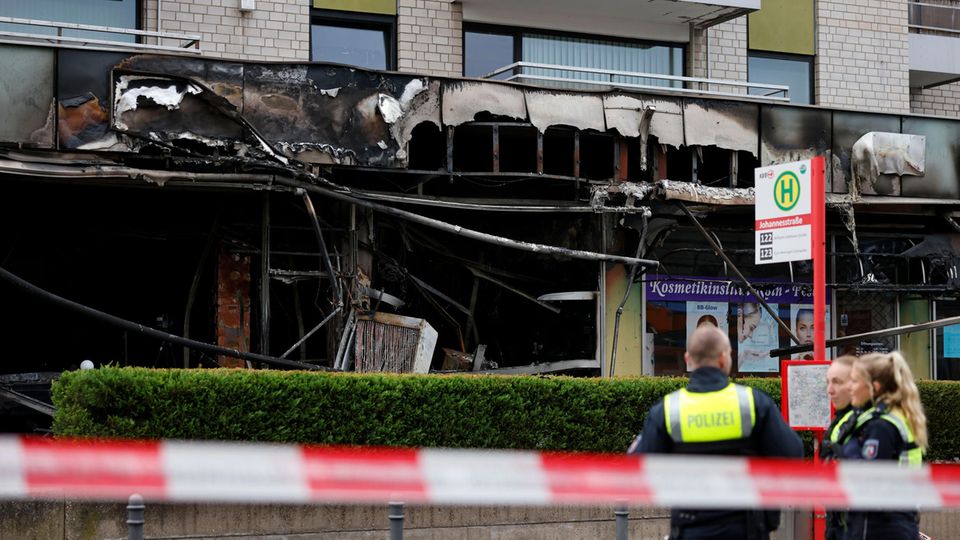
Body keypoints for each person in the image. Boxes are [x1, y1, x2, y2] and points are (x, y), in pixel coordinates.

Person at [628, 325, 803, 540]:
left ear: (688, 359)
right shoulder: (753, 403)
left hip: (691, 530)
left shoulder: (667, 410)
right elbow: (793, 453)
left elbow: (638, 470)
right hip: (746, 529)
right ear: (723, 358)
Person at [841, 352, 927, 539]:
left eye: (854, 381)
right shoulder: (895, 416)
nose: (849, 387)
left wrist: (848, 448)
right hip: (895, 521)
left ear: (875, 387)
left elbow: (867, 478)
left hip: (880, 526)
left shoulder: (881, 426)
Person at [818, 355, 858, 540]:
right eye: (828, 382)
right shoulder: (842, 418)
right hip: (838, 519)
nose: (830, 390)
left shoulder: (866, 422)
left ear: (856, 384)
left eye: (837, 382)